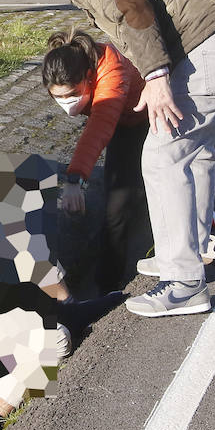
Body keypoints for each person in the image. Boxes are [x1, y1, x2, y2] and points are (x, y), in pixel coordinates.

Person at [51, 0, 215, 317]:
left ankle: (183, 283)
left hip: (211, 43)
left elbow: (130, 4)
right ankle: (194, 249)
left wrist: (155, 75)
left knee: (161, 156)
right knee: (194, 152)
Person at [41, 29, 151, 293]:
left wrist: (75, 179)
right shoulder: (64, 67)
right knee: (117, 195)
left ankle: (110, 284)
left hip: (149, 116)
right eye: (59, 97)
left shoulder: (112, 73)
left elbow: (99, 128)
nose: (67, 103)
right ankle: (108, 284)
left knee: (121, 205)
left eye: (72, 94)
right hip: (121, 120)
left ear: (88, 77)